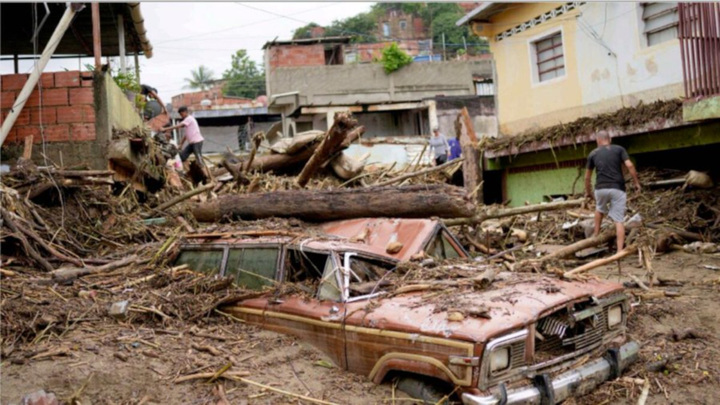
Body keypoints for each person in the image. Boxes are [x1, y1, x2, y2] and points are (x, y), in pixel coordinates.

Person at [584, 131, 641, 252]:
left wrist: (588, 192)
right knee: (619, 220)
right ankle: (619, 251)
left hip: (601, 188)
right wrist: (636, 183)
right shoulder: (619, 149)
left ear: (598, 140)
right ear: (609, 139)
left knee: (599, 209)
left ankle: (596, 235)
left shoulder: (593, 153)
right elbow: (630, 166)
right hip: (618, 188)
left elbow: (587, 177)